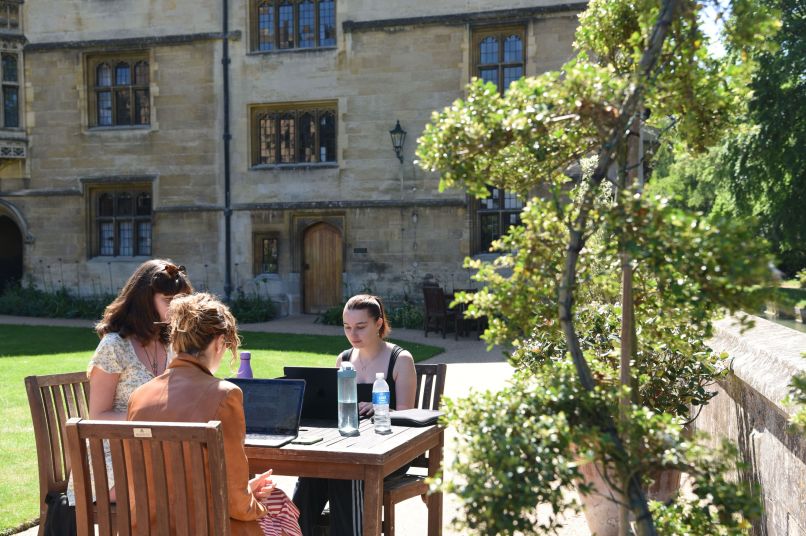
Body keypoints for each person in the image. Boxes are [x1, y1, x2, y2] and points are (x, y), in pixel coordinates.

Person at [128, 292, 302, 536]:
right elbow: (234, 501)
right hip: (208, 527)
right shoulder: (224, 394)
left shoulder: (139, 396)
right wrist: (255, 505)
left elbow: (162, 483)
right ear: (220, 342)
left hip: (149, 528)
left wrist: (246, 490)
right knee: (280, 508)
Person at [65, 259, 192, 508]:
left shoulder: (170, 345)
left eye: (182, 301)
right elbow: (97, 417)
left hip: (157, 451)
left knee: (208, 476)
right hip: (112, 462)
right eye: (169, 301)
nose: (178, 309)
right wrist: (149, 419)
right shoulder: (115, 346)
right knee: (186, 488)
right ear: (145, 301)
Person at [293, 294, 417, 536]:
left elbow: (408, 416)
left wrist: (382, 410)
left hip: (390, 453)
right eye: (347, 327)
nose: (353, 334)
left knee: (345, 474)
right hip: (348, 447)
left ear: (379, 323)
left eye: (361, 327)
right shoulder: (344, 360)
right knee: (312, 474)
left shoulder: (400, 360)